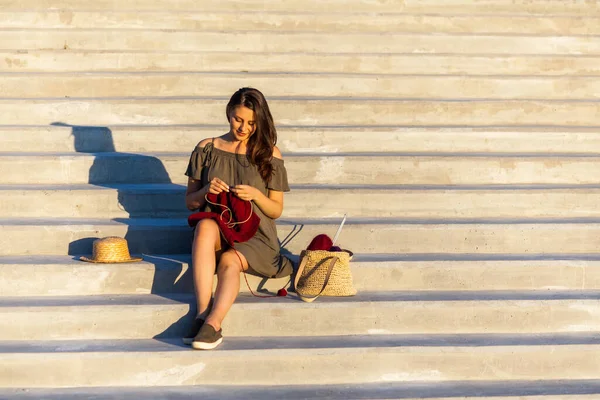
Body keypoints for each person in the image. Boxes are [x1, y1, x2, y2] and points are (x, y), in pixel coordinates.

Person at [182, 87, 293, 350]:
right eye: (238, 119)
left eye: (251, 123)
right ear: (229, 112)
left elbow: (276, 210)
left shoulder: (270, 154)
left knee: (231, 260)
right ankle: (201, 314)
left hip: (257, 236)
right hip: (220, 231)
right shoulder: (206, 148)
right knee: (205, 225)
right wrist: (205, 190)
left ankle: (214, 324)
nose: (243, 127)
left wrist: (255, 194)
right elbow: (190, 202)